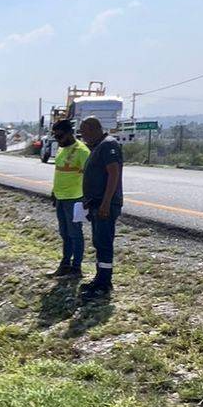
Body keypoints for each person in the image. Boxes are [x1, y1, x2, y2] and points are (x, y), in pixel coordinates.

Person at [79, 116, 123, 300]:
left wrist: (106, 202)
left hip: (105, 205)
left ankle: (104, 285)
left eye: (84, 132)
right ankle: (99, 279)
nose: (83, 136)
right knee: (99, 242)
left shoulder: (108, 145)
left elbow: (113, 174)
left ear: (93, 128)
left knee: (104, 244)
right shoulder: (98, 146)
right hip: (96, 204)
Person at [49, 119, 90, 278]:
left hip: (75, 199)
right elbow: (59, 172)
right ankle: (65, 264)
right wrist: (54, 191)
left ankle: (76, 268)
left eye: (60, 136)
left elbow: (90, 176)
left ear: (69, 133)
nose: (57, 140)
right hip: (60, 198)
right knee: (64, 233)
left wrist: (87, 198)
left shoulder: (82, 151)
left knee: (75, 234)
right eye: (55, 137)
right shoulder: (62, 149)